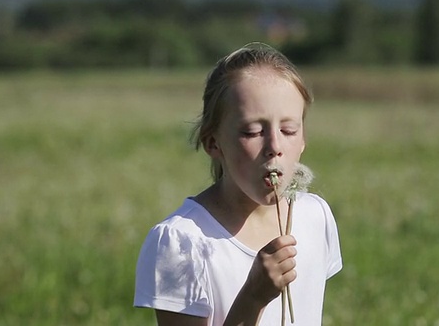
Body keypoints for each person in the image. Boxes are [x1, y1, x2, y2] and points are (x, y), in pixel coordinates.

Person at [134, 43, 342, 326]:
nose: (274, 146)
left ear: (303, 139)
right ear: (213, 142)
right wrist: (252, 298)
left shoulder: (315, 217)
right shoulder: (182, 242)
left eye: (288, 130)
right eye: (252, 131)